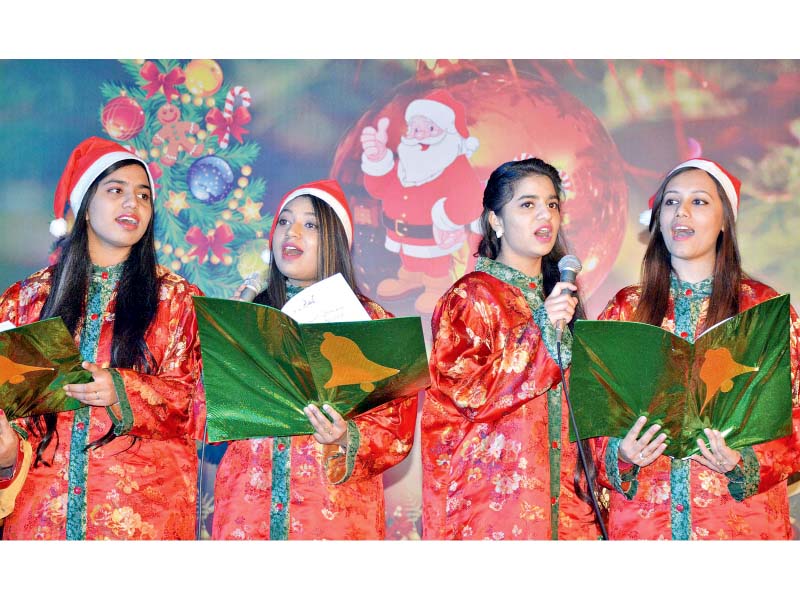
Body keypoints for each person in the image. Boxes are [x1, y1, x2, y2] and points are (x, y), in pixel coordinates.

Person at [0, 136, 204, 540]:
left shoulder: (179, 299)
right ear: (86, 208)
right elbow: (14, 412)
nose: (133, 204)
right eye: (116, 191)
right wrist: (6, 458)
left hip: (144, 522)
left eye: (143, 196)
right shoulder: (24, 300)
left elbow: (202, 403)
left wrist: (125, 389)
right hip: (41, 519)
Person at [595, 158, 800, 540]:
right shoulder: (626, 310)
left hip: (739, 524)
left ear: (725, 221)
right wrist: (620, 455)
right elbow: (595, 418)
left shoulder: (762, 310)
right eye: (671, 202)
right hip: (646, 522)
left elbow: (794, 413)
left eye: (699, 202)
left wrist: (744, 463)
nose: (681, 212)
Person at [211, 179, 418, 540]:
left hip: (333, 512)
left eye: (311, 225)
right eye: (284, 221)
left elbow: (396, 429)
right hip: (248, 506)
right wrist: (227, 333)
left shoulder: (370, 321)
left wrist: (346, 435)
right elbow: (200, 411)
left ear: (336, 240)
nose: (292, 232)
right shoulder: (246, 316)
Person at [420, 158, 600, 540]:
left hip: (567, 507)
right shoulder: (471, 297)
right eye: (527, 204)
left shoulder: (559, 300)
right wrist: (539, 331)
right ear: (495, 221)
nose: (545, 215)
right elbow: (471, 393)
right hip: (493, 510)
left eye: (552, 204)